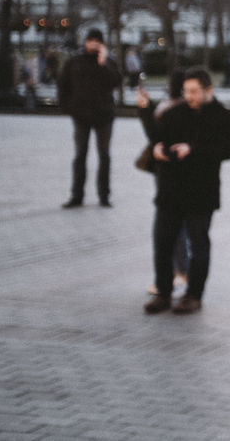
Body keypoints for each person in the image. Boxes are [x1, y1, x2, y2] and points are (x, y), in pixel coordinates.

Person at [143, 66, 230, 315]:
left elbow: (228, 150)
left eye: (195, 92)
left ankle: (193, 295)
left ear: (209, 90)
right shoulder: (175, 113)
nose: (190, 97)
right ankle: (163, 293)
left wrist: (193, 149)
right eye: (186, 91)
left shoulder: (223, 116)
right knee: (162, 243)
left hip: (201, 192)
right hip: (171, 190)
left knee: (199, 246)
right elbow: (157, 137)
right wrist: (156, 146)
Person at [137, 70, 190, 296]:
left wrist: (144, 110)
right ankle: (181, 272)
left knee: (169, 226)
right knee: (180, 225)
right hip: (181, 174)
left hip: (168, 173)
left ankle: (177, 274)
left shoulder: (169, 109)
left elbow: (155, 136)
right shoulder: (186, 108)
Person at [57, 28, 123, 208]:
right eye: (91, 40)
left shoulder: (108, 63)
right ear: (86, 42)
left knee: (104, 156)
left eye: (98, 41)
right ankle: (77, 195)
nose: (94, 44)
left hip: (104, 116)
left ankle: (104, 195)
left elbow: (116, 82)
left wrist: (103, 63)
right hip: (81, 115)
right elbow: (63, 85)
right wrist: (67, 108)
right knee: (80, 156)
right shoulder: (75, 62)